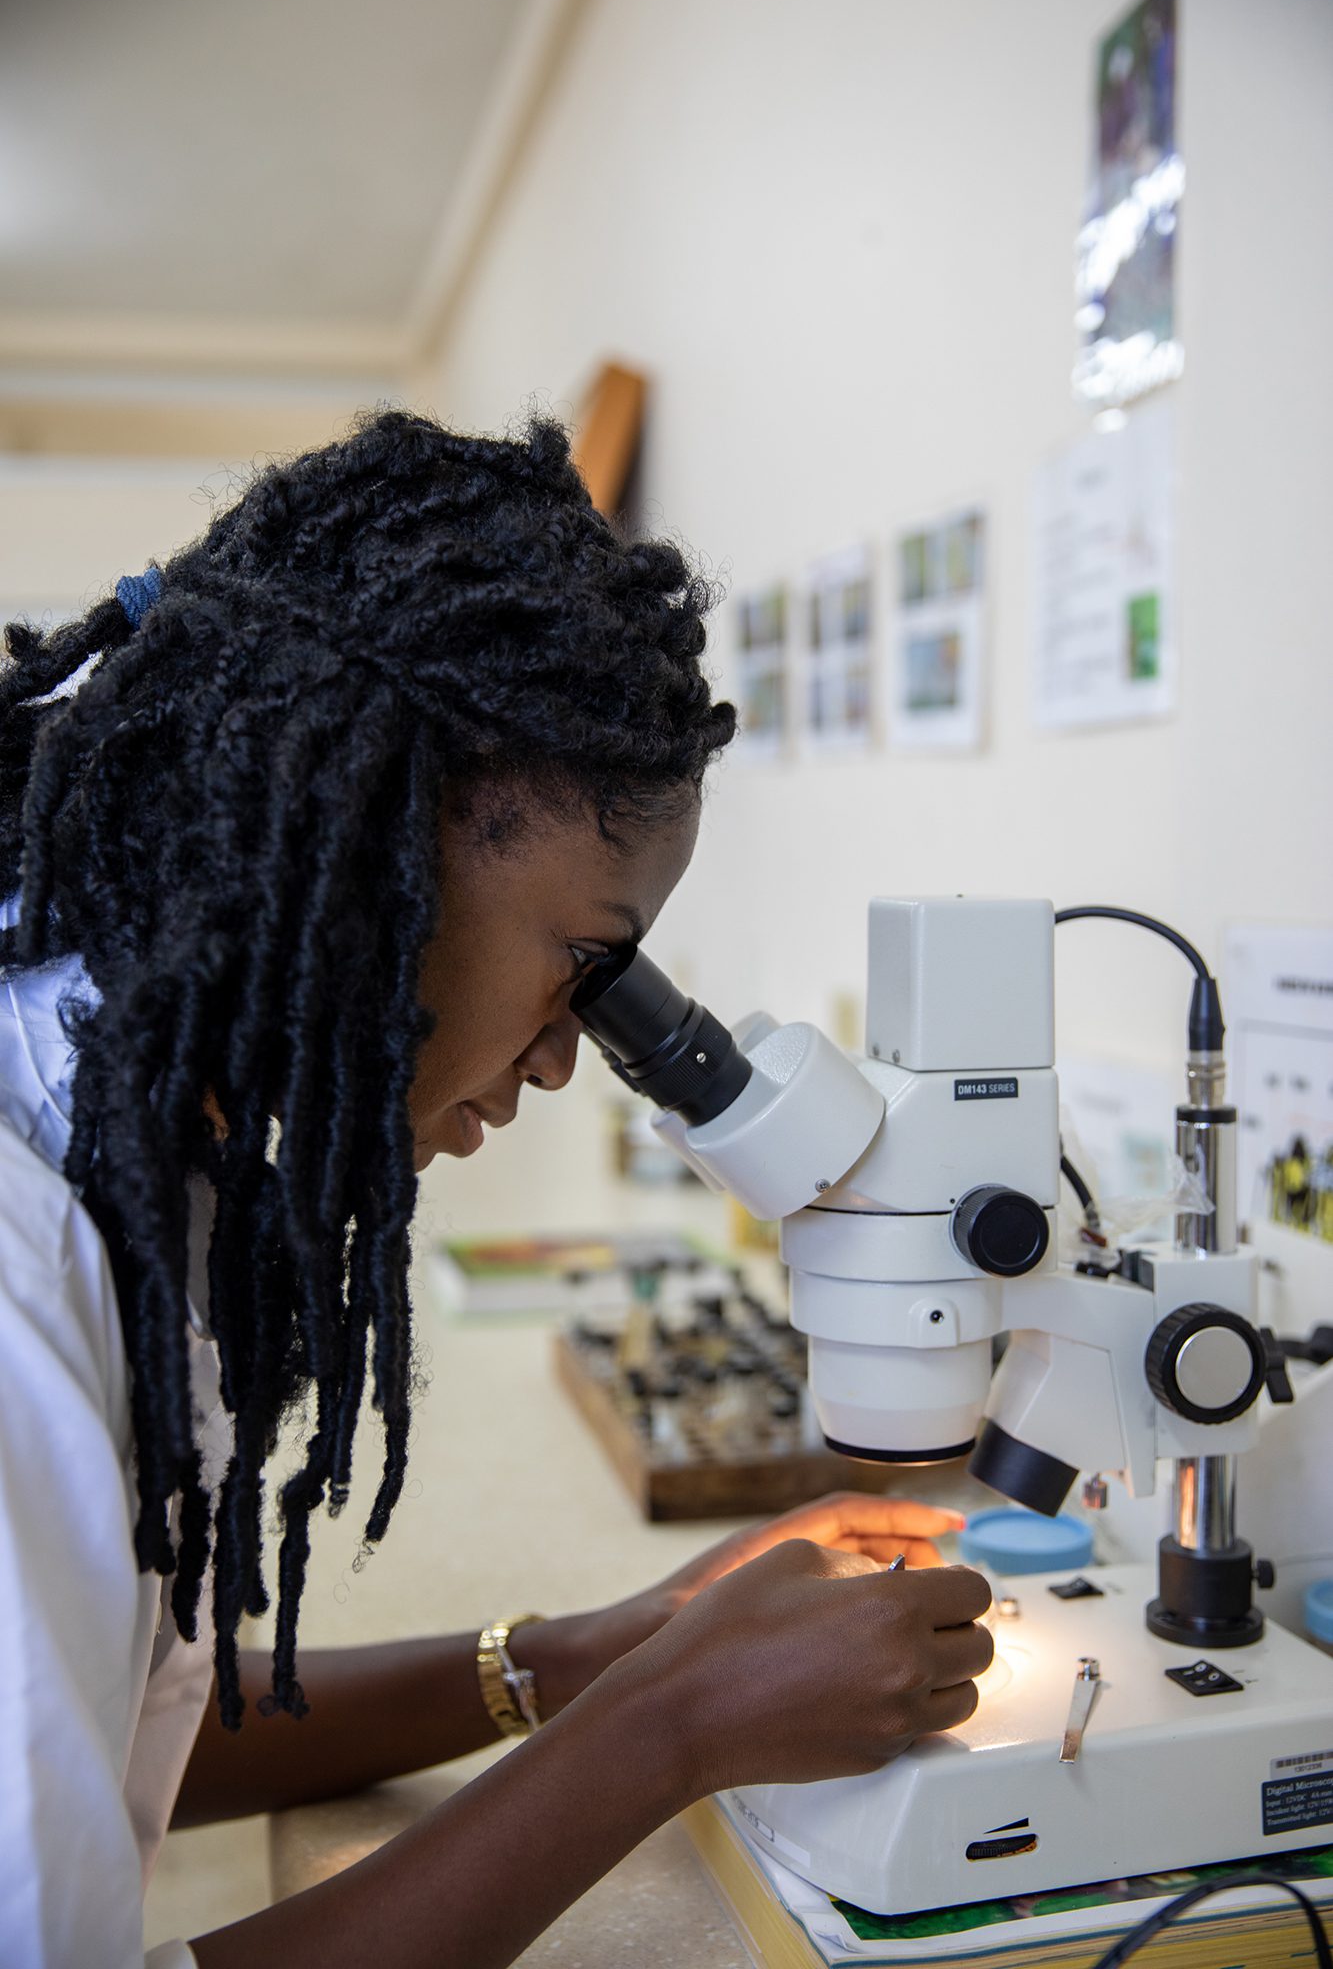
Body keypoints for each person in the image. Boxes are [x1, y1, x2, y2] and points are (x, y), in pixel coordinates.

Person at [0, 410, 992, 1969]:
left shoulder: (120, 1131)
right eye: (582, 968)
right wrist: (663, 1733)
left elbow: (112, 1708)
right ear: (355, 853)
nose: (559, 1064)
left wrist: (566, 1662)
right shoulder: (19, 1283)